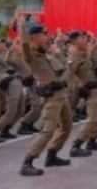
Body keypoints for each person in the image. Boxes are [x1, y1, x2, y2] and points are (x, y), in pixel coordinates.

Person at [18, 19, 72, 174]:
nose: (47, 37)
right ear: (34, 37)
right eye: (43, 34)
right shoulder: (31, 56)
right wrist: (22, 27)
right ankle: (27, 162)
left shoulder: (45, 55)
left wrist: (59, 46)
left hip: (61, 95)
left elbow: (61, 66)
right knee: (48, 129)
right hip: (51, 98)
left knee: (66, 126)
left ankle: (52, 155)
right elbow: (25, 45)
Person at [67, 31, 97, 156]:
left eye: (85, 38)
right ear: (74, 41)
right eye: (82, 38)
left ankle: (92, 140)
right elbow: (69, 73)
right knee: (94, 118)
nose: (85, 40)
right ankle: (77, 145)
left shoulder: (85, 54)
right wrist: (79, 85)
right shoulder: (74, 56)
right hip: (90, 90)